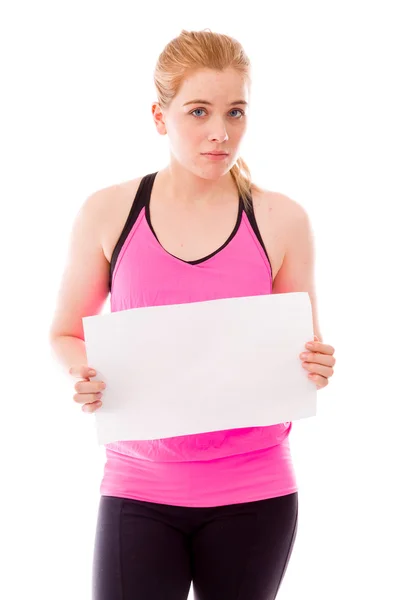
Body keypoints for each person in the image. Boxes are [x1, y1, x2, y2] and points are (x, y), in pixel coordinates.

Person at [49, 28, 336, 600]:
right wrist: (83, 374)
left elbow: (304, 350)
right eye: (198, 111)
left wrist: (317, 363)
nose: (219, 132)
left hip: (256, 491)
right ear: (160, 116)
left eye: (235, 112)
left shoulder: (281, 220)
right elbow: (65, 331)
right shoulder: (109, 212)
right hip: (139, 487)